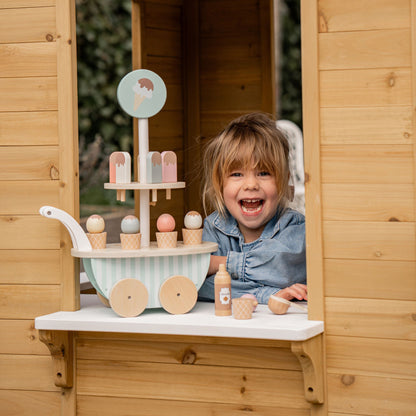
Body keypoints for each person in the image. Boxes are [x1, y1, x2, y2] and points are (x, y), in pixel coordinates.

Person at [198, 112, 307, 304]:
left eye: (264, 173)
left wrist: (220, 264)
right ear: (219, 183)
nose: (251, 184)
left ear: (283, 180)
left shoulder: (294, 226)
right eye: (237, 174)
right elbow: (202, 285)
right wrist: (268, 294)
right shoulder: (215, 227)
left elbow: (281, 268)